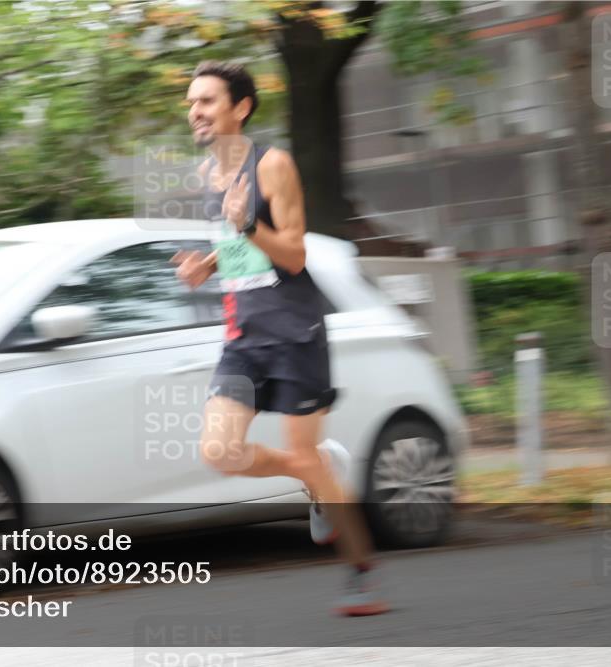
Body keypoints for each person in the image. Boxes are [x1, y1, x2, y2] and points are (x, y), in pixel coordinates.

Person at [171, 60, 389, 617]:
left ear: (240, 108)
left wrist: (246, 226)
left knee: (301, 449)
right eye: (191, 102)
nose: (195, 111)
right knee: (220, 450)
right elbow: (246, 249)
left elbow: (292, 253)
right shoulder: (207, 177)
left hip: (294, 330)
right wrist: (210, 266)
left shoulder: (274, 165)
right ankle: (315, 472)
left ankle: (361, 573)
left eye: (207, 101)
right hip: (244, 334)